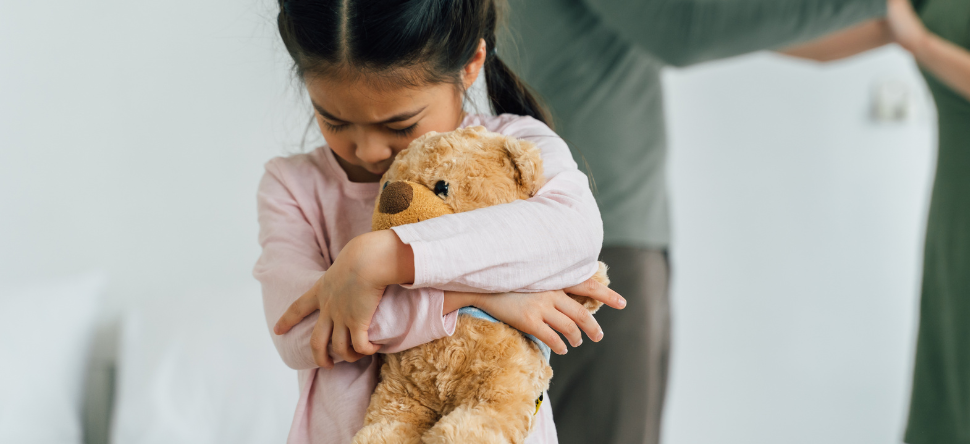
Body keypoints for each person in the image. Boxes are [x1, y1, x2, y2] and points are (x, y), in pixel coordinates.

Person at [498, 1, 889, 443]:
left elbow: (764, 34)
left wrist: (913, 29)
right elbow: (684, 30)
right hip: (596, 245)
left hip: (602, 233)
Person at [253, 1, 628, 443]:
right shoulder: (292, 185)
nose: (369, 150)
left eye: (400, 125)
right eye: (334, 120)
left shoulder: (511, 147)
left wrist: (382, 259)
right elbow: (299, 331)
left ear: (471, 64)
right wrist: (480, 296)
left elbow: (573, 231)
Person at [782, 0, 970, 442]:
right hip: (958, 229)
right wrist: (710, 25)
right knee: (957, 398)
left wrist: (924, 46)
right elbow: (813, 38)